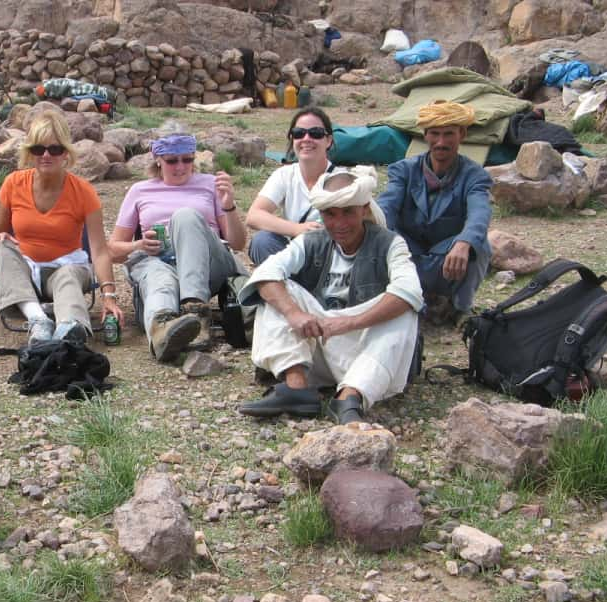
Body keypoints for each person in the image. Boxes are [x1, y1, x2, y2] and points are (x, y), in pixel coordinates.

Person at [238, 167, 422, 422]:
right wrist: (294, 313)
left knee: (404, 307)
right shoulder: (312, 240)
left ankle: (350, 397)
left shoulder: (390, 244)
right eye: (330, 214)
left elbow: (409, 290)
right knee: (275, 290)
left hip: (367, 352)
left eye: (348, 212)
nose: (339, 224)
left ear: (364, 209)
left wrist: (349, 322)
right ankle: (296, 387)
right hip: (319, 346)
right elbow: (268, 273)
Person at [107, 122, 246, 361]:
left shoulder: (210, 184)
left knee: (185, 216)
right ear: (158, 159)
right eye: (172, 161)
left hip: (207, 264)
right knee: (158, 278)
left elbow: (237, 243)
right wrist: (138, 245)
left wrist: (229, 206)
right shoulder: (140, 191)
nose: (181, 167)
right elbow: (112, 251)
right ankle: (161, 332)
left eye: (187, 159)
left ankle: (196, 310)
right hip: (159, 259)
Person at [0, 110, 123, 344]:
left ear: (66, 153)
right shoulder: (13, 183)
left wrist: (109, 296)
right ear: (29, 152)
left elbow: (100, 251)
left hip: (65, 265)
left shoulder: (83, 191)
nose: (46, 155)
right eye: (38, 149)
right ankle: (38, 320)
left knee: (69, 274)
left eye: (55, 149)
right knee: (1, 247)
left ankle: (70, 328)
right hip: (25, 269)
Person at [376, 100, 492, 324]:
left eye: (449, 134)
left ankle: (461, 308)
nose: (441, 142)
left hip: (447, 261)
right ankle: (396, 301)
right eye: (435, 134)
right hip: (407, 257)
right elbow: (387, 206)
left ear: (462, 134)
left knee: (481, 245)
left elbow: (480, 213)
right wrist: (376, 229)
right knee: (378, 237)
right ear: (425, 135)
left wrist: (464, 243)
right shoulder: (404, 170)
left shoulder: (474, 175)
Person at [244, 107, 336, 265]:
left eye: (316, 133)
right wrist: (296, 229)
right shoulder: (285, 175)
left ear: (328, 141)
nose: (306, 138)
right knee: (262, 241)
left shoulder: (341, 179)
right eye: (299, 133)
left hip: (330, 258)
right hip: (294, 256)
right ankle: (285, 287)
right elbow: (254, 216)